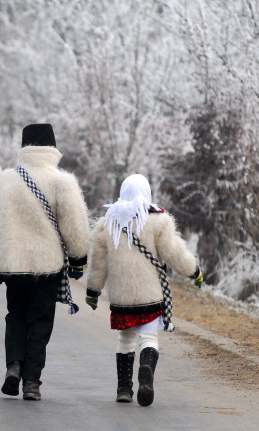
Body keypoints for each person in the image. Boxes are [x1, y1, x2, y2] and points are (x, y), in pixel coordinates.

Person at [0, 123, 90, 401]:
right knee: (40, 321)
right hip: (48, 265)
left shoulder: (3, 180)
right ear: (53, 149)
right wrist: (78, 258)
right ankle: (31, 381)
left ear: (24, 147)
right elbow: (75, 227)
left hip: (13, 263)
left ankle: (13, 365)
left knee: (16, 315)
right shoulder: (62, 181)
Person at [84, 174, 203, 406]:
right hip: (150, 296)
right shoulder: (158, 221)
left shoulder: (107, 224)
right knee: (148, 337)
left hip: (121, 298)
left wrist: (93, 291)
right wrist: (193, 271)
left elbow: (98, 264)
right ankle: (146, 368)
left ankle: (123, 389)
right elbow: (174, 254)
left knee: (125, 339)